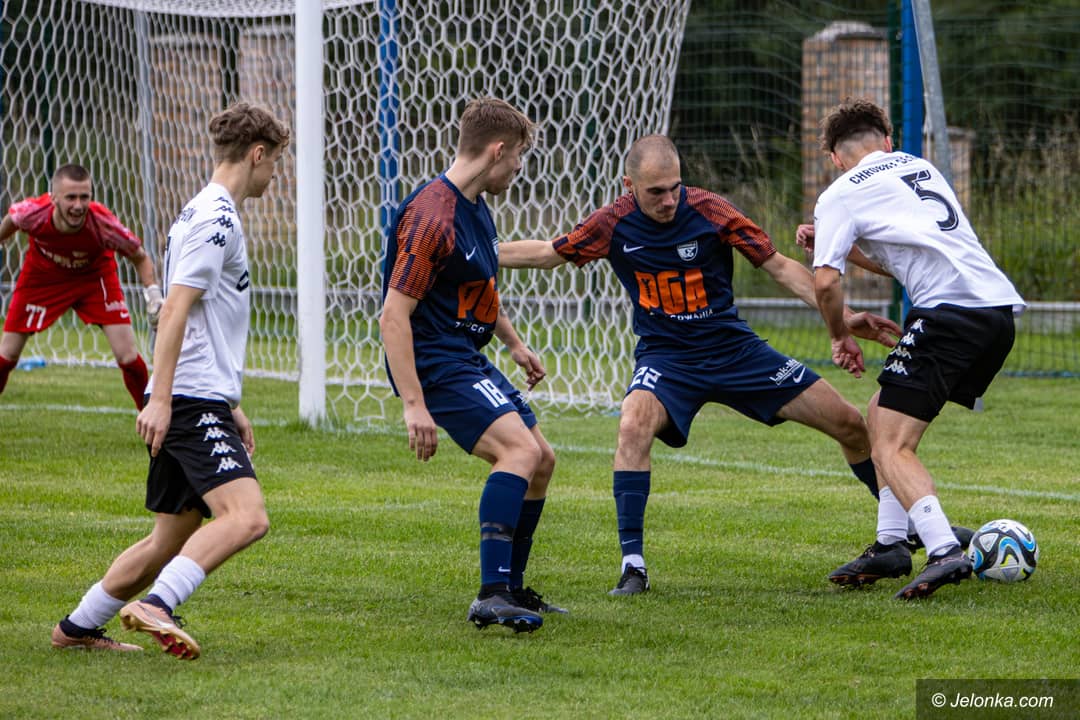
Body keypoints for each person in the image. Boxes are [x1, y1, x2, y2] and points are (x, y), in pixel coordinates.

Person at [499, 134, 904, 596]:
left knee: (849, 423)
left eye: (675, 188)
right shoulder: (612, 222)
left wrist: (844, 316)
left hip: (735, 351)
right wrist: (476, 250)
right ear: (629, 186)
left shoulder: (711, 210)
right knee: (632, 425)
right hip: (667, 359)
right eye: (655, 192)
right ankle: (633, 567)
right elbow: (548, 254)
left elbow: (779, 267)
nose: (668, 200)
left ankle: (901, 527)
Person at [50, 102, 289, 656]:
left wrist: (228, 401)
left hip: (199, 394)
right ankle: (158, 604)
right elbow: (175, 309)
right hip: (188, 400)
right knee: (247, 517)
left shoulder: (199, 211)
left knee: (169, 538)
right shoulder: (216, 218)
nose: (276, 173)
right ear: (257, 154)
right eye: (276, 161)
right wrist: (161, 399)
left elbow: (198, 319)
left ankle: (77, 628)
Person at [804, 97, 1024, 599]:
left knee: (890, 445)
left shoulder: (841, 193)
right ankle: (890, 544)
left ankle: (944, 550)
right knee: (879, 413)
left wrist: (839, 334)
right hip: (994, 312)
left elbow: (825, 283)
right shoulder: (919, 168)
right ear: (887, 141)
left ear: (835, 158)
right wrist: (839, 247)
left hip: (948, 315)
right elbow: (905, 257)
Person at [379, 97, 562, 633]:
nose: (519, 168)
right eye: (519, 157)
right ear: (497, 150)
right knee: (519, 451)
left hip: (465, 354)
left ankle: (513, 588)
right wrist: (414, 404)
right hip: (435, 361)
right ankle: (491, 594)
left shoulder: (474, 205)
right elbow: (393, 316)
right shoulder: (432, 216)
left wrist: (514, 344)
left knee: (542, 460)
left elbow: (475, 283)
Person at [0, 164, 162, 409]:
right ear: (54, 198)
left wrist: (154, 296)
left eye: (84, 197)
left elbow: (140, 257)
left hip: (94, 277)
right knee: (8, 354)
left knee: (127, 355)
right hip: (43, 277)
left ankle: (154, 417)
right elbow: (11, 221)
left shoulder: (103, 224)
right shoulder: (32, 213)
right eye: (71, 197)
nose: (78, 205)